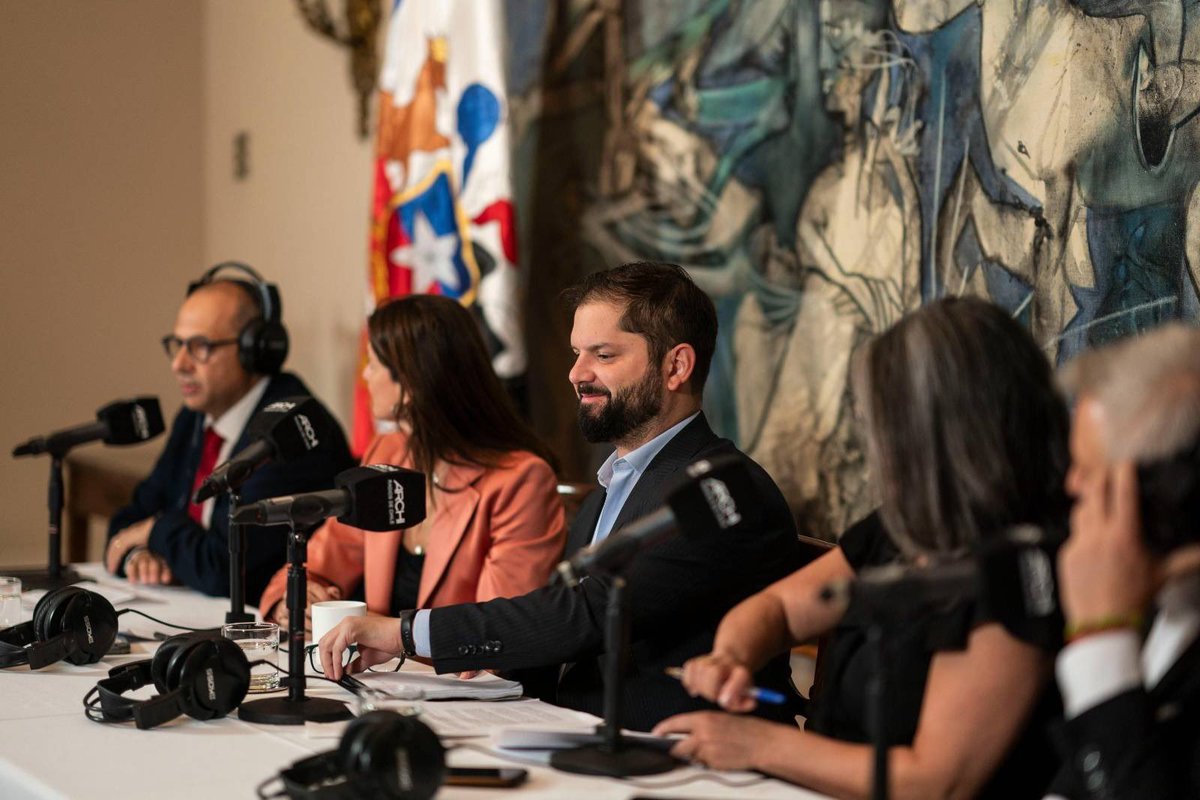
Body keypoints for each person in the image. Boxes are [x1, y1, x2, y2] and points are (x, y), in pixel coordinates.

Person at [317, 262, 804, 731]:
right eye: (577, 353)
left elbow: (584, 615)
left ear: (676, 366)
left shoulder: (717, 492)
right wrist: (487, 665)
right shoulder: (616, 483)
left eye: (603, 355)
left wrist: (403, 632)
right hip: (575, 735)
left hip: (677, 758)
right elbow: (559, 613)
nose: (576, 373)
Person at [654, 297, 1070, 799]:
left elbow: (936, 781)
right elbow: (782, 608)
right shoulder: (906, 525)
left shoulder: (1024, 569)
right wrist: (731, 655)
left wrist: (759, 744)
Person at [257, 295, 566, 627]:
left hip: (456, 678)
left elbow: (499, 631)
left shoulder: (521, 481)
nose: (366, 376)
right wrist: (295, 600)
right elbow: (319, 561)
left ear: (410, 383)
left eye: (372, 364)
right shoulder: (387, 453)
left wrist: (386, 634)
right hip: (379, 676)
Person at [104, 264, 354, 600]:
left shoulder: (291, 430)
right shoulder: (195, 418)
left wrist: (154, 531)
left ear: (256, 350)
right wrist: (139, 555)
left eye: (200, 346)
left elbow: (225, 568)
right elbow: (131, 516)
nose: (179, 363)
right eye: (176, 344)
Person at [1044, 323, 1200, 800]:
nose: (1070, 486)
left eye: (1088, 472)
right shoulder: (1169, 605)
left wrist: (1102, 640)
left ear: (1161, 499)